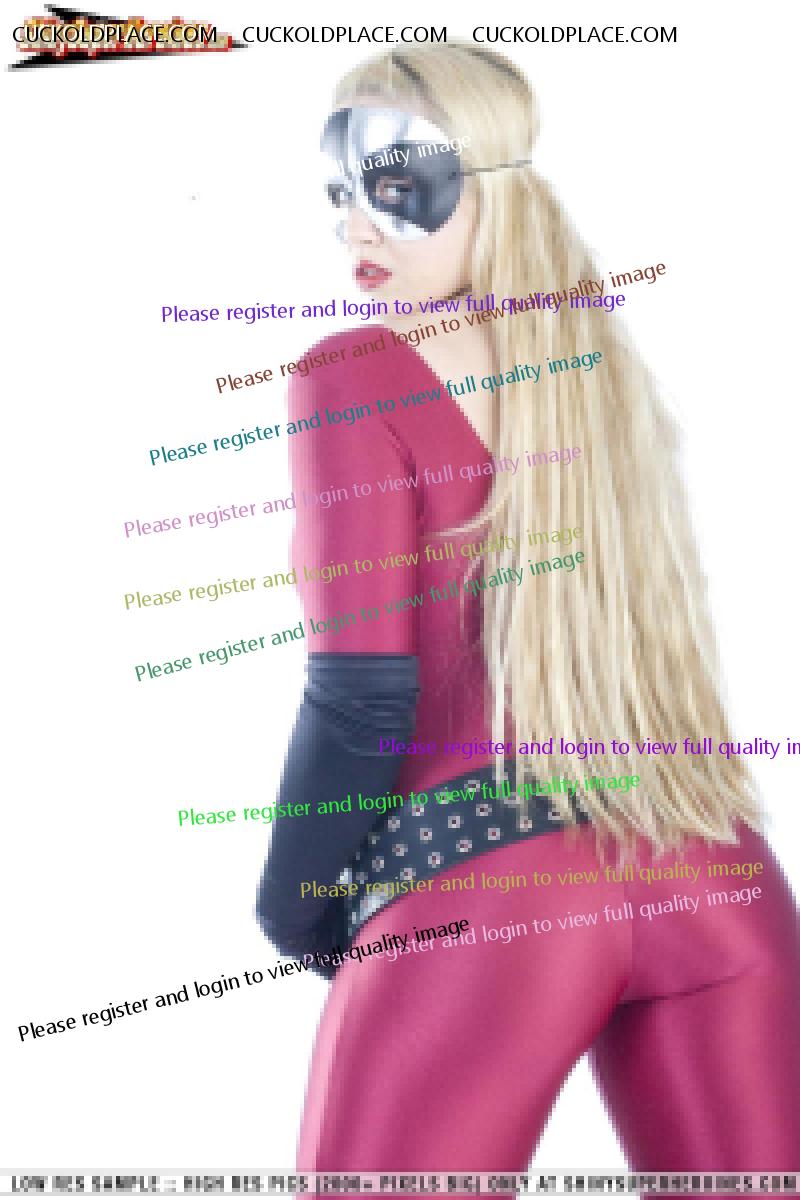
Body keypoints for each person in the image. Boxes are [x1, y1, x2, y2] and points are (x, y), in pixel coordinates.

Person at [256, 42, 800, 1177]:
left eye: (391, 184)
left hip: (486, 887)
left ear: (483, 184)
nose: (353, 226)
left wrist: (296, 902)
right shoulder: (599, 370)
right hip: (711, 871)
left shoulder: (350, 376)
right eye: (337, 191)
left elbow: (361, 695)